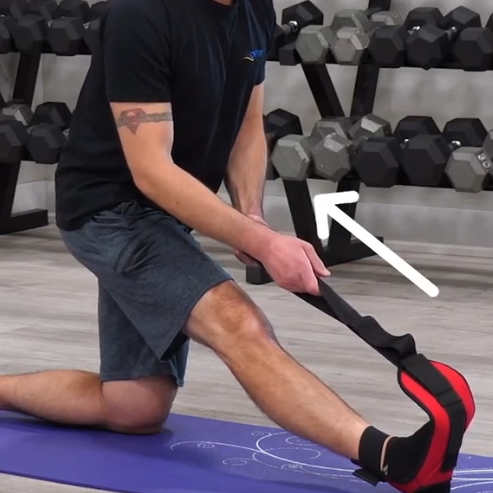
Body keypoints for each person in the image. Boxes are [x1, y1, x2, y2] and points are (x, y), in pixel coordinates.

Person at [0, 0, 459, 489]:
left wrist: (251, 215)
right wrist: (262, 241)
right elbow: (151, 170)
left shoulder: (254, 9)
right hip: (110, 212)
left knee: (135, 408)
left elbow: (246, 124)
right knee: (238, 324)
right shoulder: (141, 16)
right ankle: (390, 458)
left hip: (167, 214)